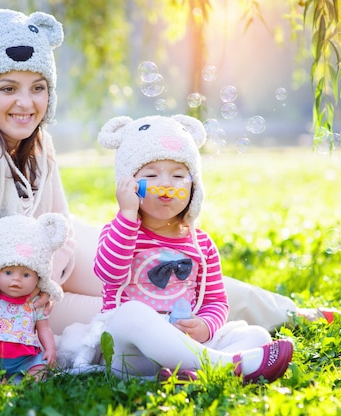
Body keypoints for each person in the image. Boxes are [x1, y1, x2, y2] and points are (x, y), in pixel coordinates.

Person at [0, 7, 341, 362]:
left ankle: (291, 313)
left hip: (50, 260)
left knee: (166, 267)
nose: (26, 104)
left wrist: (64, 258)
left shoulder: (35, 139)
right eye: (8, 88)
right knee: (143, 311)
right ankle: (215, 358)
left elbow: (58, 217)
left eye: (38, 87)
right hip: (11, 291)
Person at [84, 113, 292, 383]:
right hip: (133, 354)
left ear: (194, 187)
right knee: (129, 315)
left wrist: (205, 327)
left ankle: (184, 372)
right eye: (150, 174)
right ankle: (225, 365)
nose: (166, 185)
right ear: (129, 184)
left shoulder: (201, 244)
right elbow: (109, 274)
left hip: (187, 342)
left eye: (178, 175)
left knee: (256, 335)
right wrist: (127, 214)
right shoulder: (119, 231)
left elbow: (216, 301)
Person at [0, 213, 67, 379]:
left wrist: (50, 349)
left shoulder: (35, 302)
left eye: (26, 275)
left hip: (24, 356)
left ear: (39, 277)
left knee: (40, 366)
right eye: (8, 272)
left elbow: (44, 328)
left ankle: (29, 383)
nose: (16, 279)